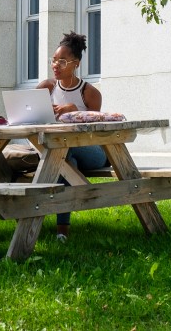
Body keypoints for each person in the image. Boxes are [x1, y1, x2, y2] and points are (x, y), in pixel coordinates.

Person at [36, 31, 107, 242]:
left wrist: (75, 111)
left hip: (93, 152)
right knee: (66, 160)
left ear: (76, 64)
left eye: (62, 61)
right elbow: (30, 117)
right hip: (62, 152)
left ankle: (43, 218)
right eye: (54, 60)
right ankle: (62, 232)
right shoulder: (46, 88)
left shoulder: (89, 93)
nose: (55, 65)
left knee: (64, 153)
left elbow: (97, 132)